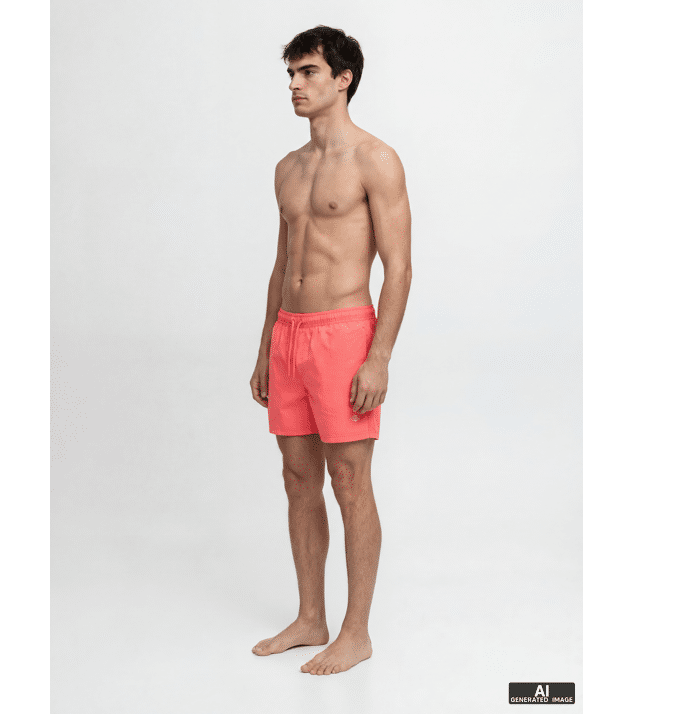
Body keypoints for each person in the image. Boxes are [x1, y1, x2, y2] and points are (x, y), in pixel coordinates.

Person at [249, 25, 412, 676]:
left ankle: (356, 632)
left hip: (344, 334)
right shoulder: (287, 168)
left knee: (349, 481)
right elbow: (281, 263)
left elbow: (399, 267)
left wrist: (379, 356)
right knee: (297, 479)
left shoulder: (377, 159)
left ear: (343, 79)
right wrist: (266, 346)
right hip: (289, 336)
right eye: (291, 74)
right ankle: (310, 616)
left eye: (308, 72)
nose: (295, 85)